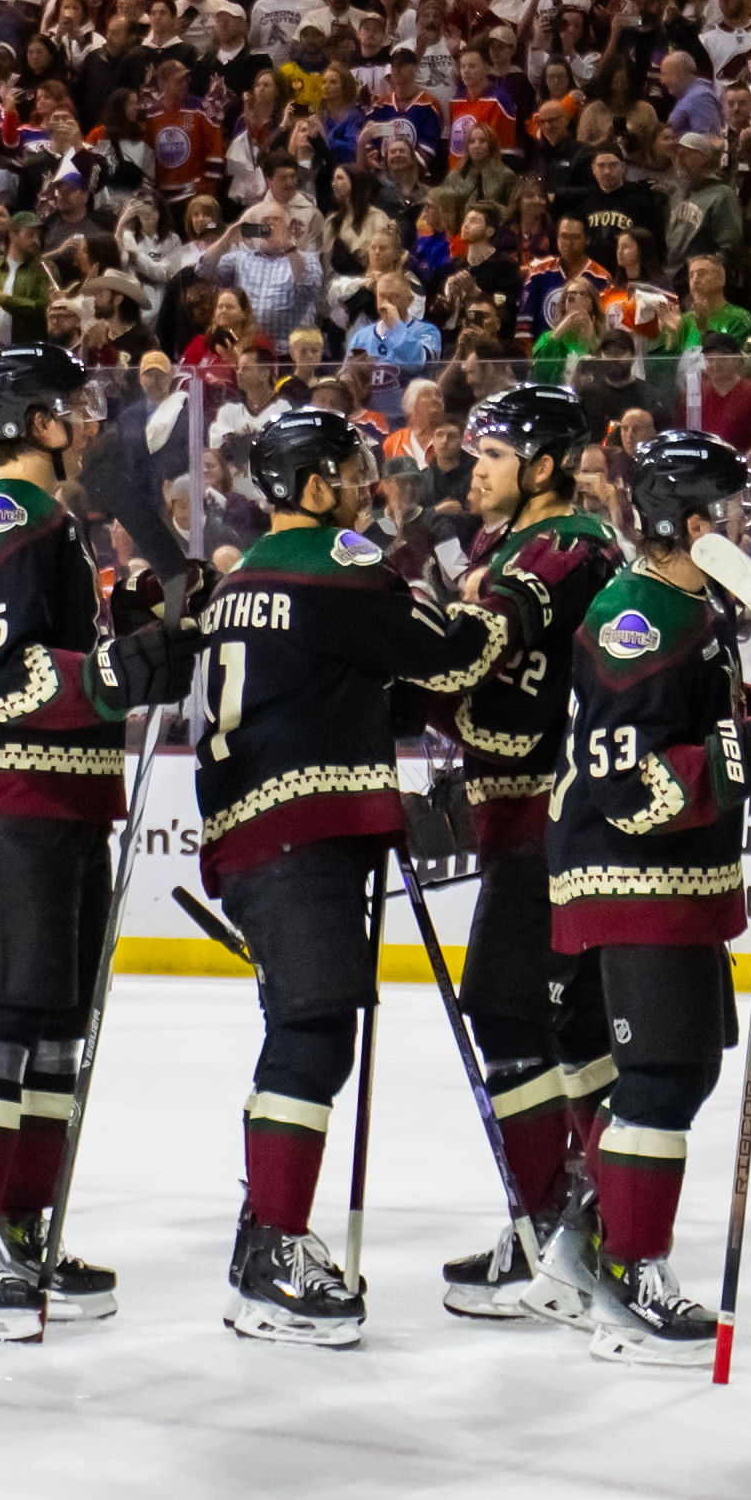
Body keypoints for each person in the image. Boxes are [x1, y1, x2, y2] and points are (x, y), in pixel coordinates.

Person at [191, 400, 506, 1344]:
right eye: (351, 474)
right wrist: (495, 604)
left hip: (252, 833)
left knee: (305, 1028)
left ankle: (265, 1232)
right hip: (303, 832)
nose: (366, 491)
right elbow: (448, 656)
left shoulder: (238, 578)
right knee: (312, 1032)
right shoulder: (344, 563)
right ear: (315, 486)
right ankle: (273, 1250)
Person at [0, 345, 172, 1339]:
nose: (88, 417)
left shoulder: (50, 520)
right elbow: (10, 677)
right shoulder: (1, 513)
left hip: (59, 800)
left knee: (55, 1027)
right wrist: (114, 668)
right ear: (33, 417)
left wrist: (129, 633)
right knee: (2, 1018)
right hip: (7, 796)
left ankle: (16, 1224)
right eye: (72, 403)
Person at [538, 428, 751, 1365]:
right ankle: (630, 1276)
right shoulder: (639, 613)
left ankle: (582, 1246)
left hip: (675, 878)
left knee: (683, 1072)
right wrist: (741, 758)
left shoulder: (691, 611)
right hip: (631, 875)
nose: (741, 523)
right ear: (693, 523)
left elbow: (708, 730)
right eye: (728, 510)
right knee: (660, 1076)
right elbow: (625, 778)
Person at [432, 382, 625, 1321]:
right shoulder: (506, 546)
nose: (477, 469)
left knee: (511, 1014)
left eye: (494, 455)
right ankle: (575, 1221)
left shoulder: (569, 543)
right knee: (559, 1028)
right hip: (526, 818)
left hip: (557, 820)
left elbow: (480, 639)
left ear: (542, 468)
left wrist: (385, 630)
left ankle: (556, 1223)